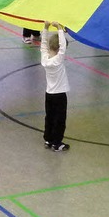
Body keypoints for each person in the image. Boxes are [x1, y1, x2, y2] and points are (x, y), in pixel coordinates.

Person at [41, 21, 70, 152]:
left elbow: (43, 45)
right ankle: (57, 143)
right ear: (59, 49)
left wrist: (45, 28)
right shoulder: (58, 60)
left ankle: (48, 138)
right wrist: (59, 28)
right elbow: (63, 46)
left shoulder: (45, 58)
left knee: (50, 116)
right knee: (60, 119)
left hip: (49, 94)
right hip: (59, 95)